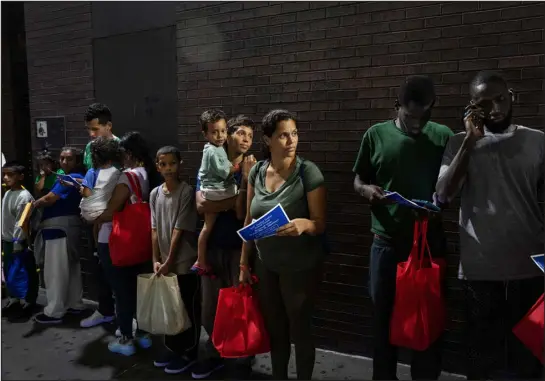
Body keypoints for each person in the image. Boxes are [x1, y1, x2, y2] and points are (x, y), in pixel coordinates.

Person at [435, 71, 544, 379]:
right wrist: (470, 140)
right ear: (473, 107)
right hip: (480, 269)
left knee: (528, 359)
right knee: (482, 358)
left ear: (512, 96)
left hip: (529, 266)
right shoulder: (459, 143)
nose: (495, 108)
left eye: (500, 99)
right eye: (485, 103)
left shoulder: (537, 141)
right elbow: (443, 196)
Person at [352, 75, 453, 380]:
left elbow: (451, 186)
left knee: (428, 319)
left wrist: (439, 206)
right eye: (410, 117)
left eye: (424, 116)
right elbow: (358, 180)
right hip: (386, 242)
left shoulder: (444, 135)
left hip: (428, 242)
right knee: (382, 319)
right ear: (397, 107)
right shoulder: (376, 135)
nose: (417, 124)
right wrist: (366, 191)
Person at [239, 109, 327, 380]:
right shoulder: (257, 171)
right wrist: (243, 263)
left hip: (299, 266)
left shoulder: (307, 171)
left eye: (294, 134)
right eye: (283, 135)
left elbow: (320, 223)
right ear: (267, 140)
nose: (291, 140)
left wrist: (304, 224)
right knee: (275, 329)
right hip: (266, 264)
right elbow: (248, 218)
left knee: (299, 329)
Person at [192, 115, 256, 380]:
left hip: (239, 249)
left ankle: (242, 359)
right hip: (213, 247)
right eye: (241, 133)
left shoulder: (252, 166)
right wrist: (230, 202)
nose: (245, 140)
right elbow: (200, 205)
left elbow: (246, 214)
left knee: (240, 306)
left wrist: (238, 191)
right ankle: (215, 353)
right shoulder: (212, 158)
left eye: (250, 136)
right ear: (227, 134)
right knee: (210, 309)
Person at [95, 131, 155, 355]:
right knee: (138, 289)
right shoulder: (147, 174)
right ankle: (143, 334)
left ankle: (126, 339)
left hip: (119, 241)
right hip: (140, 242)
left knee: (121, 290)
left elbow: (111, 211)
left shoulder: (127, 177)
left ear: (128, 153)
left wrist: (94, 216)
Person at [150, 146, 201, 374]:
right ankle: (174, 349)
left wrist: (169, 260)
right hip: (164, 263)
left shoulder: (186, 192)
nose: (168, 168)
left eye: (172, 163)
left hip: (184, 262)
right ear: (157, 166)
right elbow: (153, 229)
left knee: (186, 307)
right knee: (170, 307)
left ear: (179, 164)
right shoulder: (154, 194)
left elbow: (179, 230)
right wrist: (155, 259)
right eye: (163, 164)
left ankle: (189, 352)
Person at [33, 147, 87, 324]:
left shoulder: (68, 179)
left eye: (69, 159)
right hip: (71, 227)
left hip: (58, 227)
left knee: (55, 270)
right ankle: (75, 304)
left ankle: (54, 310)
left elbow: (50, 198)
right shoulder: (77, 178)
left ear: (77, 161)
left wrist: (33, 205)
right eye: (62, 159)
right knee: (71, 268)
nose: (64, 162)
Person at [80, 102, 120, 329]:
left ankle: (126, 315)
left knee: (118, 267)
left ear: (109, 126)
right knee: (98, 265)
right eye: (89, 129)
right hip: (92, 214)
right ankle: (104, 310)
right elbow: (91, 177)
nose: (91, 134)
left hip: (114, 216)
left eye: (95, 129)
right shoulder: (89, 148)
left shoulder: (120, 147)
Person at [194, 109, 240, 276]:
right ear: (205, 134)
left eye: (223, 131)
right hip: (213, 190)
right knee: (238, 193)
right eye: (214, 132)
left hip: (213, 189)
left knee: (207, 227)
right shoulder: (212, 150)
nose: (220, 135)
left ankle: (200, 260)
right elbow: (222, 171)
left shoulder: (216, 148)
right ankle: (200, 260)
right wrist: (234, 169)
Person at [1, 161, 37, 320]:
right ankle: (14, 299)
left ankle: (28, 301)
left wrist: (17, 240)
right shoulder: (8, 193)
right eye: (4, 174)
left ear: (21, 176)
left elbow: (22, 221)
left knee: (25, 272)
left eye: (10, 174)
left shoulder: (24, 196)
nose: (6, 177)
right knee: (10, 271)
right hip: (7, 240)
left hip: (19, 241)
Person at [79, 137, 122, 245]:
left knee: (96, 228)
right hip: (107, 210)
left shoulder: (92, 172)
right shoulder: (117, 172)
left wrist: (81, 190)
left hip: (90, 212)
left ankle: (96, 248)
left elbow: (87, 193)